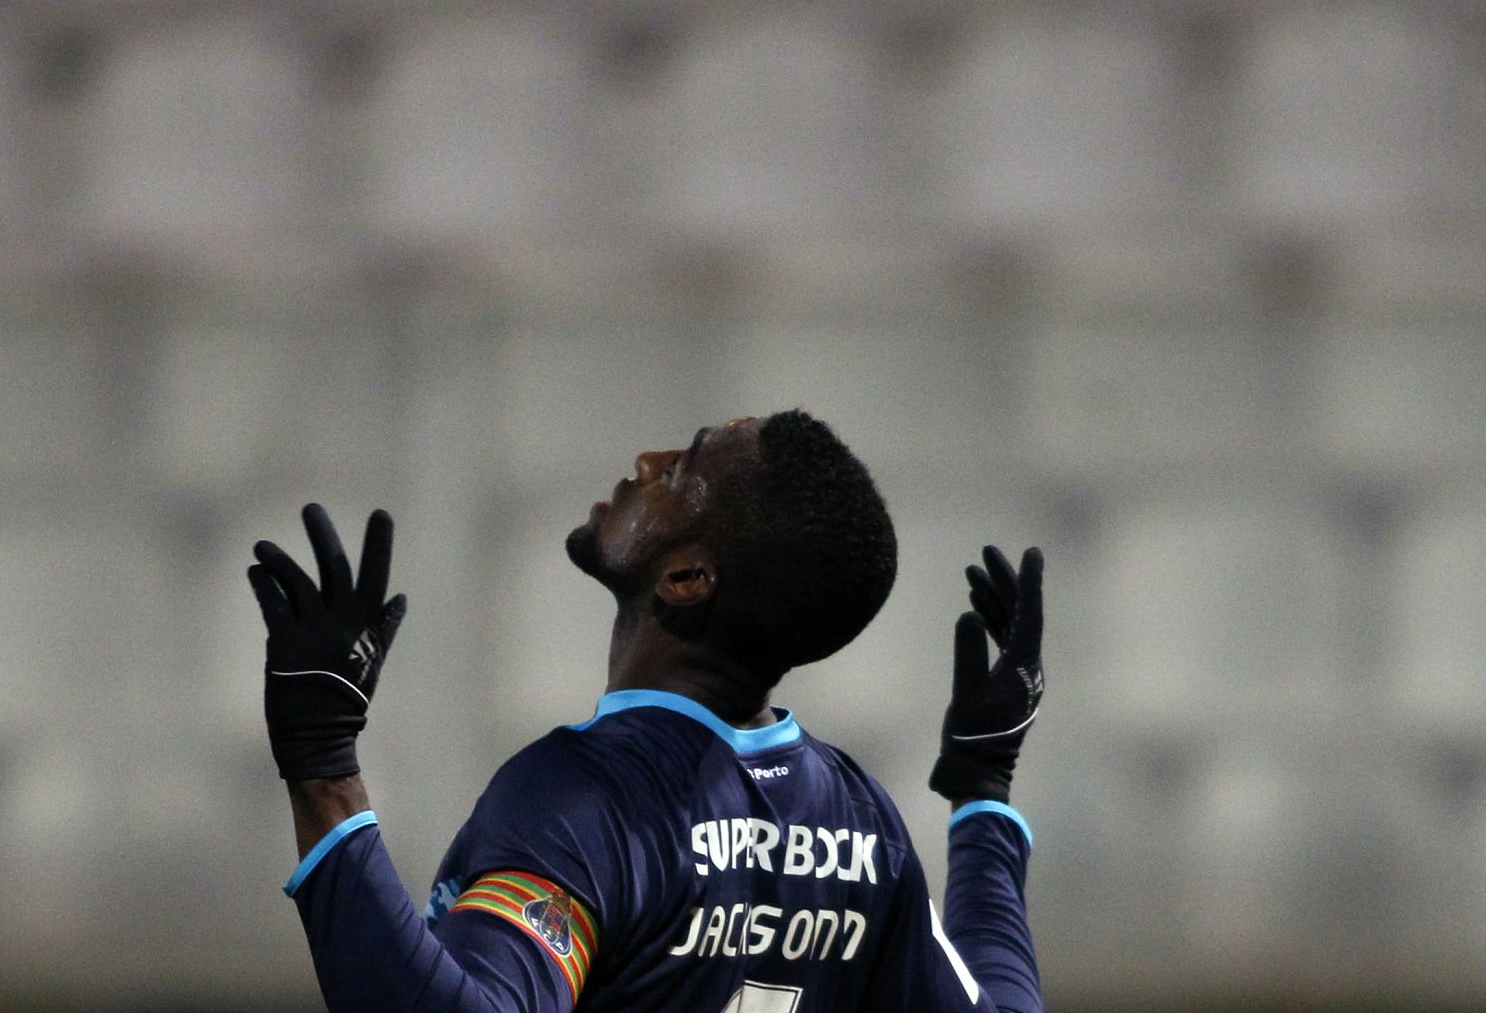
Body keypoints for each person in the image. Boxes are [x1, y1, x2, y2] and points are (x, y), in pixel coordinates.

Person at [247, 410, 1045, 1011]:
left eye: (679, 471)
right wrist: (984, 791)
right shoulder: (860, 825)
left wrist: (323, 769)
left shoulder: (585, 802)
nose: (647, 462)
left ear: (688, 578)